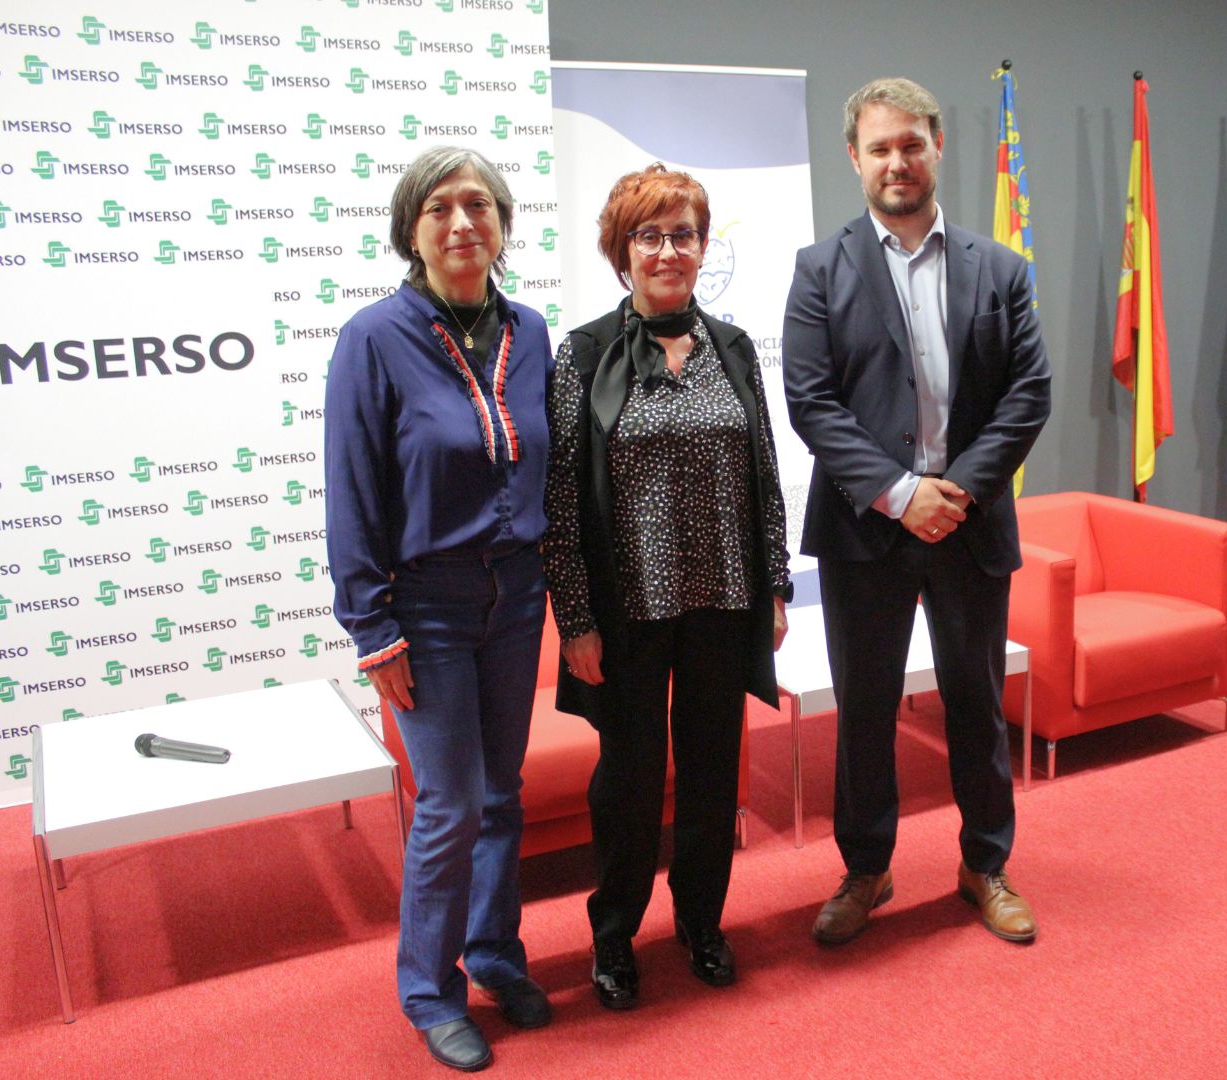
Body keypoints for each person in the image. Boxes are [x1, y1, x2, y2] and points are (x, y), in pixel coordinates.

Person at [782, 78, 1052, 946]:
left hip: (970, 524)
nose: (897, 161)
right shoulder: (820, 270)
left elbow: (1028, 393)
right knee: (864, 708)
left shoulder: (1000, 269)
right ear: (854, 158)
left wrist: (959, 489)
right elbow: (811, 401)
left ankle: (986, 864)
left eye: (912, 143)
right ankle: (866, 870)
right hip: (868, 530)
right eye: (879, 147)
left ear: (938, 145)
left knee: (976, 700)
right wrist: (901, 494)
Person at [325, 146, 554, 1072]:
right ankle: (430, 990)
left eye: (479, 207)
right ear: (410, 232)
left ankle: (496, 954)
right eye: (440, 210)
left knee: (503, 795)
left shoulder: (530, 330)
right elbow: (352, 489)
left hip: (519, 592)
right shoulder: (373, 338)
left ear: (501, 225)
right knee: (449, 805)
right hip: (427, 606)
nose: (463, 224)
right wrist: (371, 626)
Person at [543, 164, 791, 1009]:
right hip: (630, 610)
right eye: (649, 235)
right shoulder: (582, 354)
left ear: (701, 246)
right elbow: (562, 500)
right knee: (631, 778)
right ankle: (614, 937)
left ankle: (702, 921)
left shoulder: (733, 347)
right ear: (623, 250)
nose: (668, 250)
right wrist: (575, 618)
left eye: (683, 233)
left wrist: (778, 582)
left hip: (724, 597)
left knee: (714, 770)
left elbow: (763, 470)